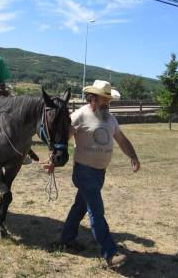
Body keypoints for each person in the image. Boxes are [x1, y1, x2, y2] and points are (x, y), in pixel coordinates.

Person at [56, 80, 140, 267]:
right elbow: (61, 140)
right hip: (84, 171)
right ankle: (110, 254)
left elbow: (122, 140)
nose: (107, 103)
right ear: (92, 98)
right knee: (96, 211)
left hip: (100, 173)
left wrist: (133, 155)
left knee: (81, 206)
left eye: (108, 99)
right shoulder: (78, 116)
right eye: (104, 99)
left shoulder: (110, 119)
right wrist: (52, 162)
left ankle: (66, 238)